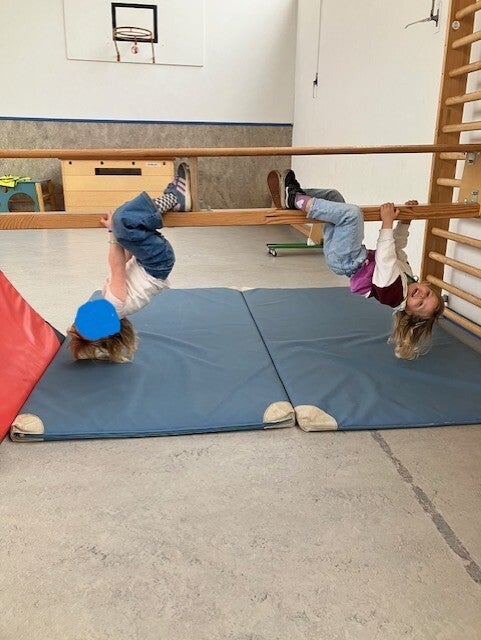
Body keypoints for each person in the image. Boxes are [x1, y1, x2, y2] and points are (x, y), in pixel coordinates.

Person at [267, 169, 445, 360]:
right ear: (427, 285)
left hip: (346, 259)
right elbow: (397, 247)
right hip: (348, 255)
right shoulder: (407, 277)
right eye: (428, 293)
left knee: (352, 214)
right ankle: (294, 198)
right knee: (334, 197)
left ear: (408, 310)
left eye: (420, 304)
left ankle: (294, 198)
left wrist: (387, 222)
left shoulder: (393, 294)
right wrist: (405, 222)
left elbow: (385, 257)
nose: (421, 296)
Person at [67, 163, 192, 363]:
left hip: (150, 260)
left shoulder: (109, 301)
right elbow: (117, 265)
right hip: (156, 262)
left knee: (125, 221)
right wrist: (113, 232)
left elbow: (124, 260)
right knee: (123, 220)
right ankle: (175, 197)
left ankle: (171, 199)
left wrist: (119, 234)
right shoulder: (115, 304)